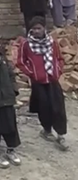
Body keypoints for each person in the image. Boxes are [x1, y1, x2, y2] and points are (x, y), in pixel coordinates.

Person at [17, 17, 68, 151]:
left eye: (39, 28)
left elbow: (59, 58)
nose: (36, 31)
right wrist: (32, 73)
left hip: (52, 80)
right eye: (34, 29)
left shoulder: (52, 42)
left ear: (44, 28)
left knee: (58, 107)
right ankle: (47, 130)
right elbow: (21, 62)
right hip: (38, 82)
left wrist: (58, 70)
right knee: (43, 107)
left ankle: (61, 134)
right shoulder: (26, 45)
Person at [0, 39, 20, 168]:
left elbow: (11, 75)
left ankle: (11, 150)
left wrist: (14, 90)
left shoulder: (3, 60)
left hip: (6, 98)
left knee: (10, 125)